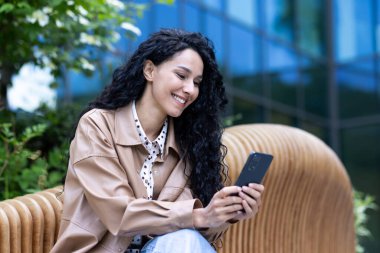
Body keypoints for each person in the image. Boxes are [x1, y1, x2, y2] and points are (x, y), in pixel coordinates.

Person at [50, 28, 264, 253]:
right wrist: (198, 215)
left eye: (197, 82)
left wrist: (225, 215)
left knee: (185, 239)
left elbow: (187, 228)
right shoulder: (98, 126)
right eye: (182, 76)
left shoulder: (188, 142)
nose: (190, 89)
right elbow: (119, 213)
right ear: (150, 70)